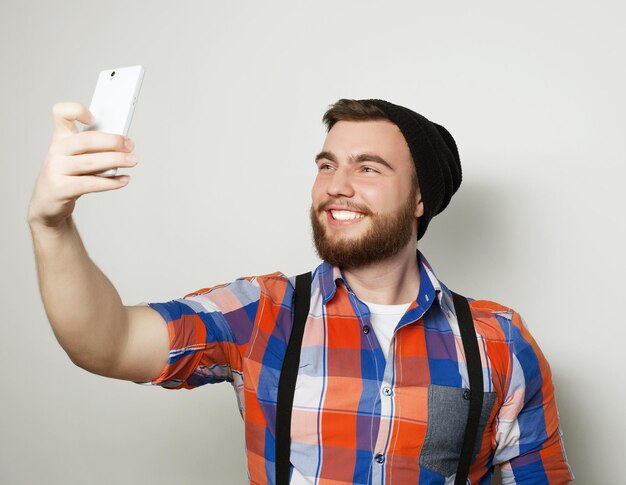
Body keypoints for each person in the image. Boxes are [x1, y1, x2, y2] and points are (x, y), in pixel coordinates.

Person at [28, 98, 573, 484]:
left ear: (419, 200)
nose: (337, 183)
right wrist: (52, 226)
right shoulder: (262, 312)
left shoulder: (498, 339)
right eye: (327, 164)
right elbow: (106, 341)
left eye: (368, 167)